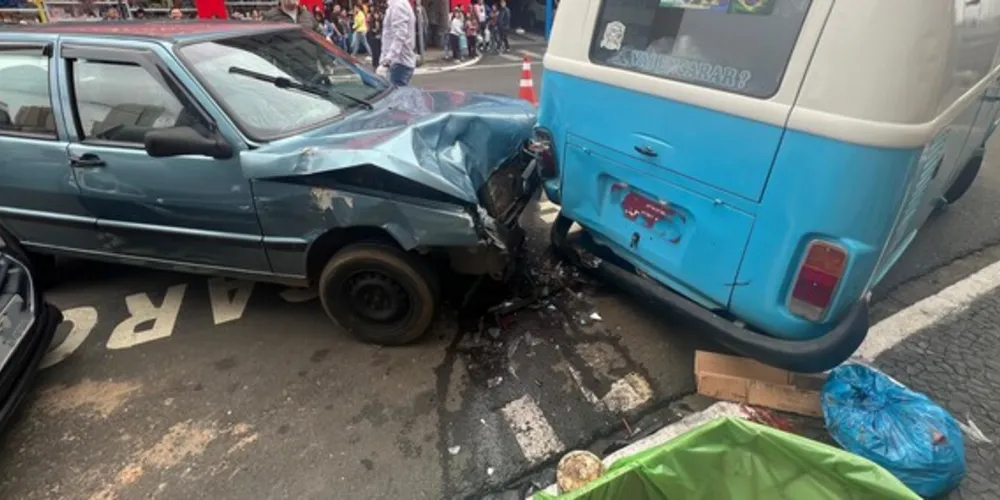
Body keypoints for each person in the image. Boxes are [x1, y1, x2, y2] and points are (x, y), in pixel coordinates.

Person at [380, 0, 417, 85]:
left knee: (395, 92)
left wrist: (387, 61)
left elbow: (400, 35)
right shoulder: (396, 5)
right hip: (397, 62)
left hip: (398, 63)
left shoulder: (398, 5)